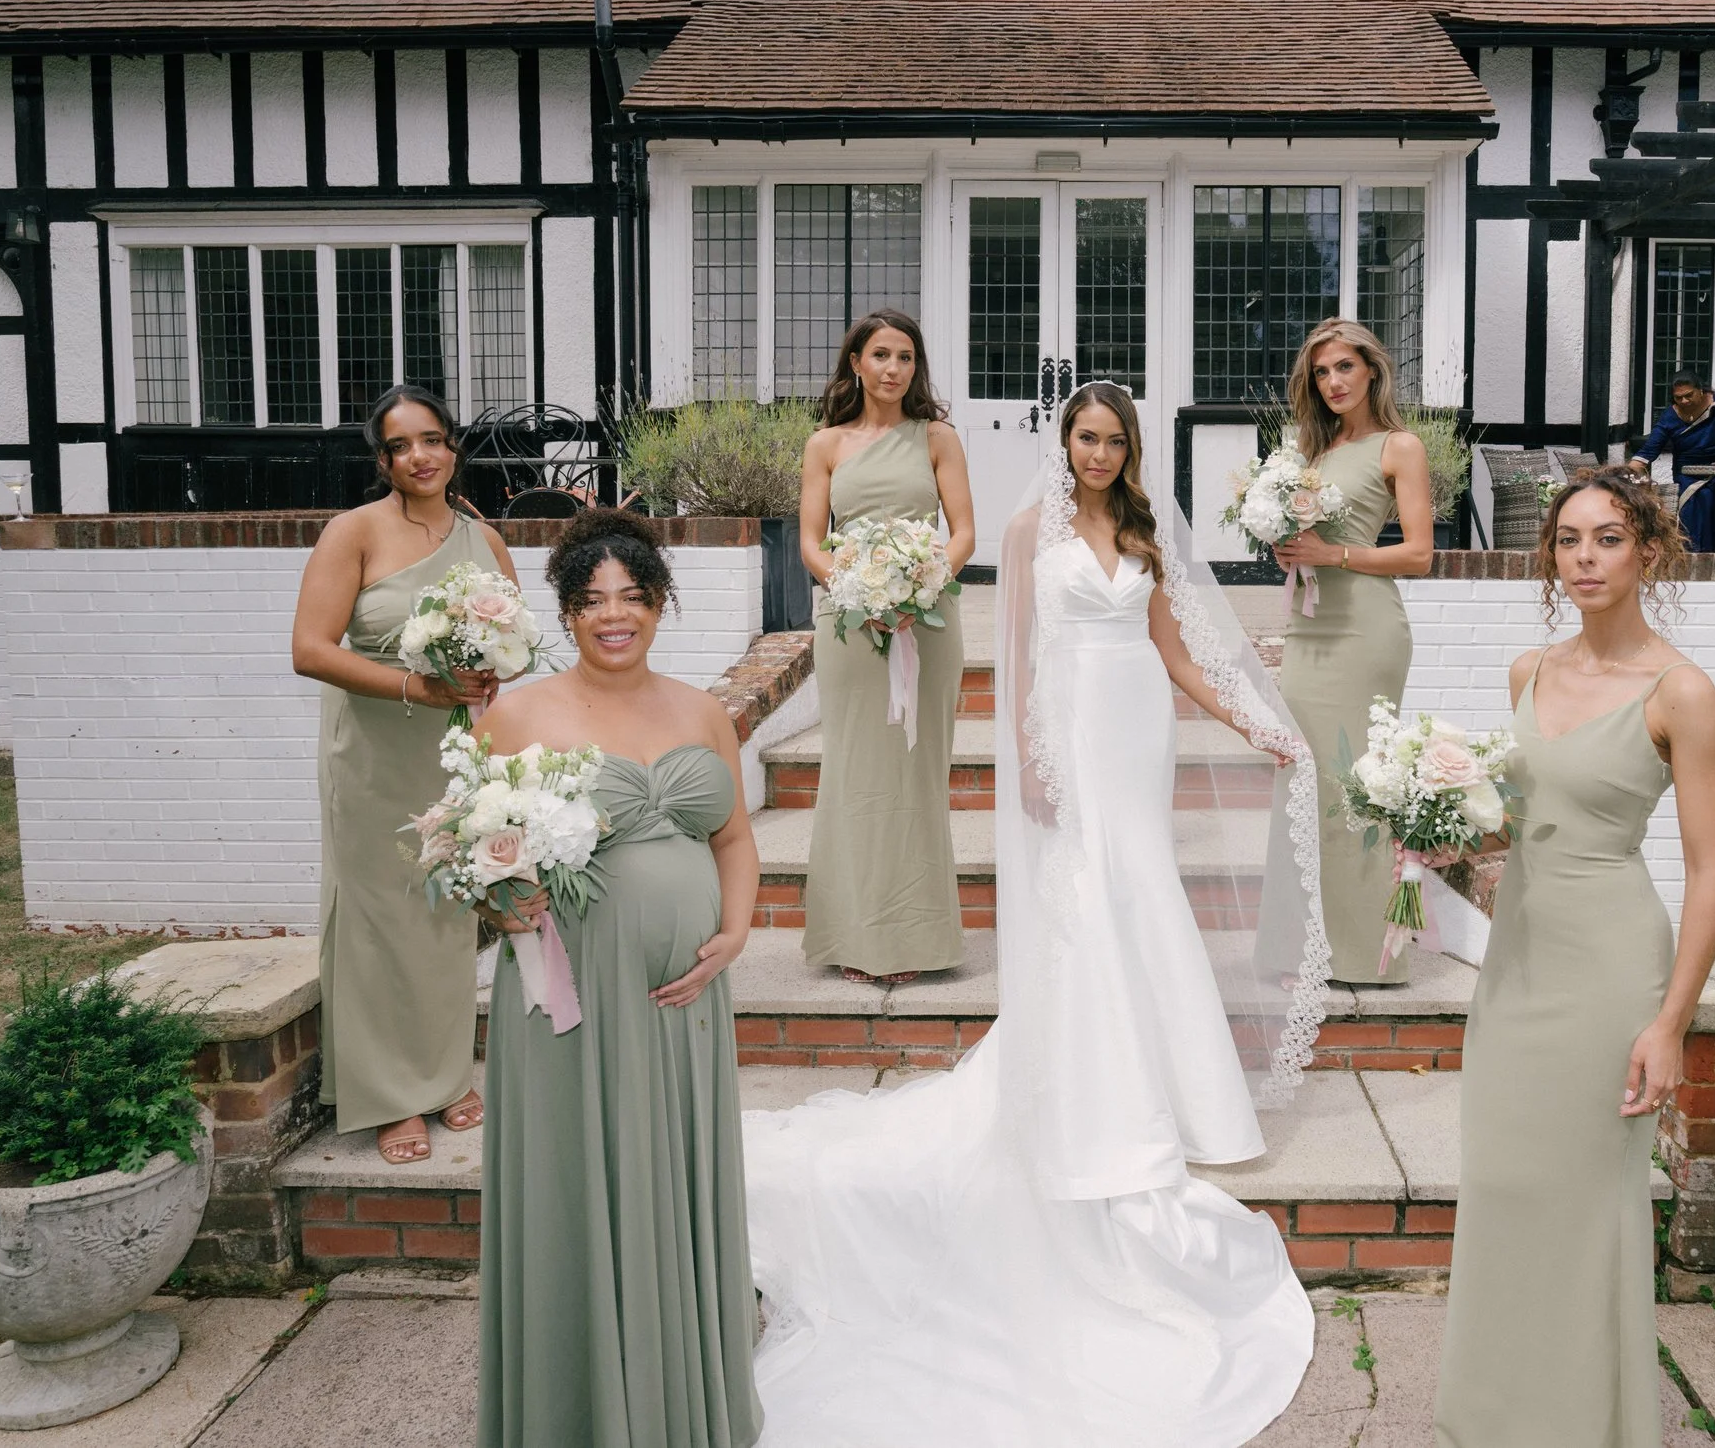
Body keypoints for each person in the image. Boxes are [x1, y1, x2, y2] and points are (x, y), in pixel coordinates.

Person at [740, 381, 1334, 1448]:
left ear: (1129, 448)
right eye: (1085, 436)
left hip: (1136, 723)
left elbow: (1181, 654)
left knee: (1142, 888)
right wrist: (1030, 758)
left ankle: (1185, 1094)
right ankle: (1094, 1079)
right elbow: (1014, 660)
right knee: (1085, 901)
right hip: (1068, 731)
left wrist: (1260, 724)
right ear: (1062, 442)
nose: (1098, 452)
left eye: (1113, 439)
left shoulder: (1143, 534)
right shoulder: (1025, 529)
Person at [1434, 466, 1715, 1448]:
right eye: (1567, 539)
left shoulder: (1679, 690)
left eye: (1607, 538)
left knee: (1585, 1201)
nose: (1584, 558)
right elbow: (1517, 827)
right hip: (1517, 962)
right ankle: (1491, 1417)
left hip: (1611, 971)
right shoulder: (1526, 670)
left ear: (1648, 549)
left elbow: (1709, 868)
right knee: (1507, 1187)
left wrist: (1669, 1021)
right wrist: (1440, 833)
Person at [472, 509, 762, 1448]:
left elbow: (734, 837)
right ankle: (582, 1408)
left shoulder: (701, 710)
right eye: (592, 600)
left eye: (632, 597)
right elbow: (467, 854)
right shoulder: (517, 712)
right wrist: (501, 902)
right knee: (580, 1180)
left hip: (682, 1003)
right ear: (564, 611)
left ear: (659, 604)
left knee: (669, 1179)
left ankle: (682, 1396)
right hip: (574, 1003)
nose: (614, 616)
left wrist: (737, 928)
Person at [290, 385, 515, 1167]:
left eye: (433, 439)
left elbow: (510, 642)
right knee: (382, 916)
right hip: (374, 753)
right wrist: (416, 685)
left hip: (449, 753)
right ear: (381, 459)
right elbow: (311, 649)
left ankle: (447, 1075)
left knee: (447, 910)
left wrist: (482, 679)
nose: (420, 456)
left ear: (453, 448)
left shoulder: (482, 538)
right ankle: (390, 1095)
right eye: (401, 445)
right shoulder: (352, 532)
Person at [796, 310, 976, 986]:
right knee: (855, 773)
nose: (894, 367)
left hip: (926, 621)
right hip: (849, 623)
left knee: (914, 773)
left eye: (905, 356)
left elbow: (962, 533)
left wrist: (918, 588)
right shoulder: (825, 446)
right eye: (881, 355)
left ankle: (914, 937)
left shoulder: (938, 437)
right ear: (856, 364)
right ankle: (856, 933)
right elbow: (812, 541)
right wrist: (860, 593)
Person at [1261, 318, 1434, 986]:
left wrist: (1333, 552)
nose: (1333, 382)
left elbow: (1419, 553)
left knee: (1360, 783)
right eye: (1321, 372)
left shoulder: (1401, 446)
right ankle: (1305, 949)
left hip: (1366, 629)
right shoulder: (1309, 451)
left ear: (1371, 371)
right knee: (1305, 777)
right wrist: (1287, 545)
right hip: (1310, 626)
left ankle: (1368, 953)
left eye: (1344, 368)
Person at [1628, 374, 1715, 552]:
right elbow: (1649, 449)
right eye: (1678, 397)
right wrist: (1630, 470)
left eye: (1689, 395)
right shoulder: (1670, 417)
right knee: (1690, 519)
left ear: (1701, 391)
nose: (1684, 401)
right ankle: (1690, 564)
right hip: (1688, 474)